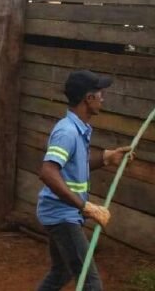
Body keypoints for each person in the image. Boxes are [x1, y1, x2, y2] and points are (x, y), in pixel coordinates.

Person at [36, 70, 132, 291]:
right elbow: (48, 171)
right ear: (88, 99)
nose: (103, 99)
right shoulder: (68, 132)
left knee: (61, 272)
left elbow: (76, 162)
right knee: (91, 283)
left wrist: (108, 158)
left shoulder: (78, 129)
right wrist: (85, 206)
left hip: (60, 213)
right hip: (63, 216)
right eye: (100, 94)